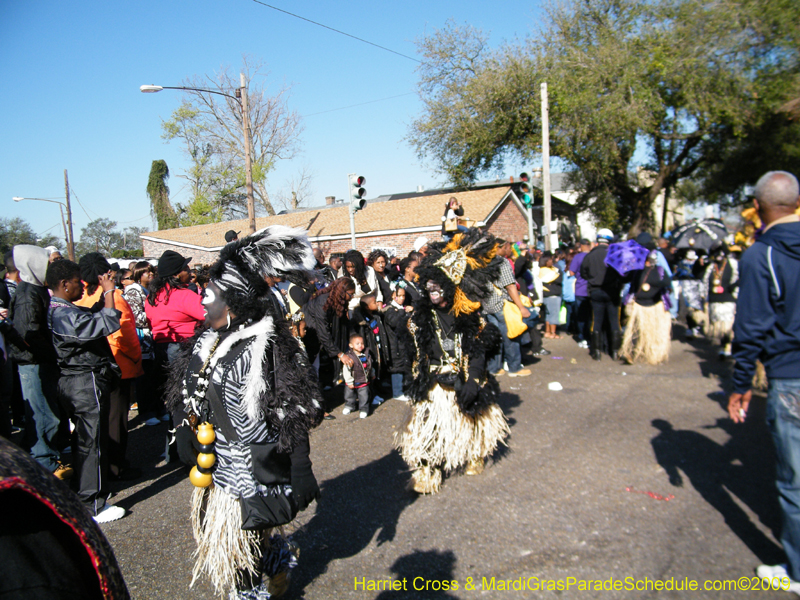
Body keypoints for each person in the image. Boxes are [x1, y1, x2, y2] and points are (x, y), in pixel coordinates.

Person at [167, 226, 322, 599]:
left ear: (233, 301)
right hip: (218, 467)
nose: (202, 300)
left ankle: (253, 589)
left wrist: (301, 467)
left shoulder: (270, 347)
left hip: (256, 469)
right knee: (245, 541)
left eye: (210, 294)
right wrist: (184, 427)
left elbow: (295, 409)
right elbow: (185, 393)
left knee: (239, 554)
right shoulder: (207, 341)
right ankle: (279, 561)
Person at [726, 171, 800, 593]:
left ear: (756, 208)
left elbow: (751, 328)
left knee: (794, 482)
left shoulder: (760, 255)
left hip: (790, 376)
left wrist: (740, 385)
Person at [394, 229, 509, 494]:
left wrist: (472, 381)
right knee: (425, 430)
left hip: (463, 378)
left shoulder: (469, 318)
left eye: (439, 284)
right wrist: (418, 378)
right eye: (430, 284)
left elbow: (479, 351)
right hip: (434, 386)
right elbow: (411, 355)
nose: (432, 289)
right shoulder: (418, 320)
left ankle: (473, 453)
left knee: (471, 420)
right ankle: (427, 471)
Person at [46, 259, 126, 523]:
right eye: (77, 282)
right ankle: (92, 504)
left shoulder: (60, 309)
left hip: (76, 381)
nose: (81, 286)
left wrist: (98, 302)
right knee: (91, 442)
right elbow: (106, 324)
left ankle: (83, 492)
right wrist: (107, 292)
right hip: (83, 381)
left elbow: (89, 318)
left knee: (84, 441)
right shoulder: (62, 314)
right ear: (63, 284)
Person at [76, 253, 143, 480]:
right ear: (106, 272)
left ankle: (100, 465)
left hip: (91, 364)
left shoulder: (77, 295)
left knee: (99, 419)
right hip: (119, 362)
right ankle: (116, 468)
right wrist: (136, 357)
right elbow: (124, 334)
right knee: (116, 418)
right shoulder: (113, 296)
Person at [8, 245, 69, 478]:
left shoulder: (36, 290)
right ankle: (45, 464)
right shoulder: (27, 295)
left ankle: (47, 456)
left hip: (42, 361)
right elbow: (28, 334)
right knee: (43, 413)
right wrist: (52, 353)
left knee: (49, 410)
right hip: (34, 364)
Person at [145, 250, 204, 414]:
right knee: (185, 393)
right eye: (187, 268)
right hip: (182, 347)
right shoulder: (184, 295)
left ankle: (174, 427)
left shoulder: (153, 296)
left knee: (172, 393)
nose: (190, 272)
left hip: (160, 347)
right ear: (177, 274)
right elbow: (208, 315)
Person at [483, 239, 535, 377]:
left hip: (487, 306)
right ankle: (514, 367)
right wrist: (522, 307)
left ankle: (494, 368)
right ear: (503, 247)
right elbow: (510, 286)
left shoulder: (483, 262)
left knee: (495, 338)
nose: (511, 250)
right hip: (502, 305)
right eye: (509, 247)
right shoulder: (502, 262)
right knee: (511, 336)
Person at [123, 261, 163, 426]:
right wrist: (155, 316)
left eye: (152, 272)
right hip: (142, 340)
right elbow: (135, 315)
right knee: (144, 378)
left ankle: (158, 408)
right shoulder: (134, 290)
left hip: (151, 337)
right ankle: (146, 412)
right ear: (139, 275)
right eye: (147, 272)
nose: (151, 275)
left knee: (154, 376)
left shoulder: (150, 290)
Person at [619, 250, 672, 364]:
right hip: (639, 307)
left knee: (655, 332)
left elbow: (666, 282)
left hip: (655, 307)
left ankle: (654, 354)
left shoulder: (659, 271)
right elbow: (625, 279)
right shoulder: (636, 271)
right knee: (635, 330)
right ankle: (631, 353)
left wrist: (652, 283)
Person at [581, 228, 624, 360]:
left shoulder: (590, 256)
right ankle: (615, 351)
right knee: (614, 321)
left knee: (596, 321)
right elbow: (622, 273)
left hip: (595, 291)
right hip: (612, 292)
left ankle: (596, 352)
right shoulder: (615, 255)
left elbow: (583, 273)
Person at [703, 243, 738, 359]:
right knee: (717, 326)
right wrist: (705, 298)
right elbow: (705, 283)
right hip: (714, 300)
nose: (718, 257)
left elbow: (737, 278)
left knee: (727, 325)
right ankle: (722, 346)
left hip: (728, 299)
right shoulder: (711, 267)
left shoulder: (732, 264)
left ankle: (727, 346)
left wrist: (734, 291)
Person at [382, 286, 412, 401]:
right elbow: (394, 322)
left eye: (403, 295)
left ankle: (404, 389)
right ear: (393, 296)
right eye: (399, 295)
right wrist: (403, 312)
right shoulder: (390, 309)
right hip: (395, 344)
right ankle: (397, 392)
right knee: (397, 367)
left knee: (403, 365)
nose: (402, 298)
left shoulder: (401, 308)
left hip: (402, 343)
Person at [341, 333, 374, 418]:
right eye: (357, 343)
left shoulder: (366, 354)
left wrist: (372, 374)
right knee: (349, 395)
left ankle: (363, 409)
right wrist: (349, 381)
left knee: (364, 396)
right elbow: (346, 370)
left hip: (363, 381)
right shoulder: (349, 356)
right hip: (352, 381)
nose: (360, 345)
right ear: (351, 345)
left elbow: (370, 366)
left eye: (362, 343)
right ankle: (349, 406)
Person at [539, 253, 563, 340]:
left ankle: (547, 332)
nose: (551, 261)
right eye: (550, 260)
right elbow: (559, 279)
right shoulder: (551, 271)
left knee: (548, 315)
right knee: (554, 315)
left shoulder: (541, 270)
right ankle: (553, 333)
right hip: (553, 295)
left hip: (545, 295)